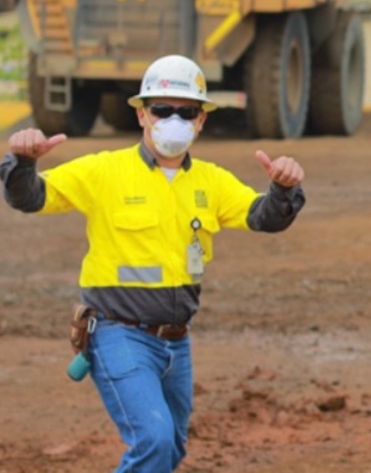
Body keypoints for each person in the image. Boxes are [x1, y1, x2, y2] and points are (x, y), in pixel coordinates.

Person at [0, 55, 306, 472]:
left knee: (173, 447)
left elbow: (263, 216)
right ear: (142, 114)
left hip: (176, 343)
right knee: (155, 441)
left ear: (201, 121)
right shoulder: (105, 171)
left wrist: (283, 189)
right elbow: (30, 197)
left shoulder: (211, 181)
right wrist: (24, 161)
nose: (174, 120)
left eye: (186, 112)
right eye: (162, 109)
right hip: (117, 333)